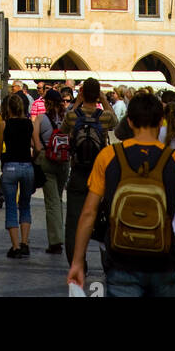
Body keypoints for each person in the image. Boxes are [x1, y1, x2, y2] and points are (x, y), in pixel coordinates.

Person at [67, 91, 175, 299]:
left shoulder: (108, 157)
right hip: (163, 260)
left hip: (121, 260)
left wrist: (77, 261)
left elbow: (88, 213)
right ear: (160, 121)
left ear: (130, 122)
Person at [60, 78, 113, 269]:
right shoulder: (104, 116)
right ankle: (108, 263)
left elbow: (63, 128)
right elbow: (114, 121)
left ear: (82, 93)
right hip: (100, 175)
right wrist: (104, 100)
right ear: (97, 93)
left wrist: (77, 101)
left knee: (74, 222)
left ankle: (77, 263)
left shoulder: (74, 116)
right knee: (106, 221)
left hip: (78, 173)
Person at [0, 92, 34, 258]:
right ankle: (25, 243)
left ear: (9, 108)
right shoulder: (29, 124)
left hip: (10, 167)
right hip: (27, 167)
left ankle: (15, 247)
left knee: (12, 207)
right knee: (25, 205)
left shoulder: (4, 124)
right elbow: (35, 145)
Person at [33, 88, 69, 254]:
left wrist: (39, 155)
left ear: (47, 103)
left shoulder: (41, 118)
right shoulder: (66, 118)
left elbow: (35, 143)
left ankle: (55, 241)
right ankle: (60, 235)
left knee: (52, 202)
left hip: (48, 160)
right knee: (58, 198)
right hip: (64, 161)